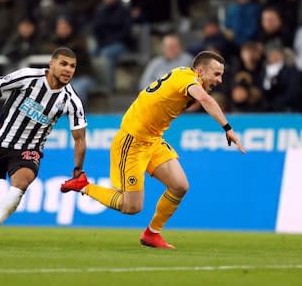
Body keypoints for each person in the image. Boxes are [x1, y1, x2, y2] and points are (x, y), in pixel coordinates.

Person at [61, 51, 245, 249]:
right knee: (131, 207)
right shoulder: (188, 79)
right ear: (200, 71)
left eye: (221, 75)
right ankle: (83, 185)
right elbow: (206, 100)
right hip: (132, 141)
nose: (220, 80)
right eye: (216, 74)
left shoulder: (184, 76)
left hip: (153, 139)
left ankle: (152, 233)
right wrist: (228, 128)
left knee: (180, 186)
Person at [0, 47, 87, 245]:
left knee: (21, 183)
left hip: (29, 150)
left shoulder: (71, 100)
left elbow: (79, 138)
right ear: (51, 64)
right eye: (63, 64)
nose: (68, 69)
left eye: (72, 66)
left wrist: (77, 169)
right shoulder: (28, 77)